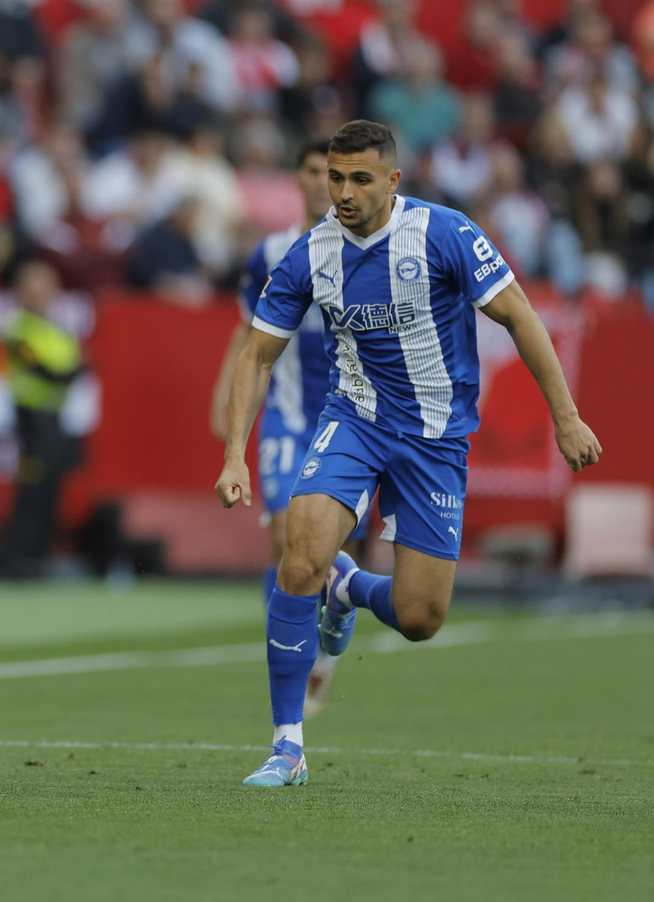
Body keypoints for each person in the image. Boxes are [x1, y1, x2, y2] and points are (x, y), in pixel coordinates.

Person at [215, 121, 601, 788]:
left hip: (435, 439)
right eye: (335, 177)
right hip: (354, 421)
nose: (343, 191)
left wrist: (565, 417)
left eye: (360, 178)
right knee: (299, 550)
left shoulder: (445, 233)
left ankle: (348, 587)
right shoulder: (310, 253)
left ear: (393, 180)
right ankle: (287, 745)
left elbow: (519, 315)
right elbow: (256, 352)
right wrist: (232, 455)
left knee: (422, 617)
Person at [209, 140, 366, 717]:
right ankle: (292, 659)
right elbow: (249, 336)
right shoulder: (272, 252)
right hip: (287, 416)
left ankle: (326, 643)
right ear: (301, 179)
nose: (320, 181)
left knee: (328, 549)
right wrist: (227, 402)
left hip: (352, 422)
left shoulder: (368, 250)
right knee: (282, 539)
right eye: (313, 170)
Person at [0, 260, 84, 576]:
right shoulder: (16, 327)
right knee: (30, 491)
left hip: (54, 419)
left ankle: (40, 556)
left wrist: (69, 371)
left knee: (51, 489)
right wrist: (69, 371)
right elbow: (52, 371)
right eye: (35, 288)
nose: (42, 295)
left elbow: (71, 367)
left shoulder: (54, 327)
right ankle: (18, 559)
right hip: (30, 420)